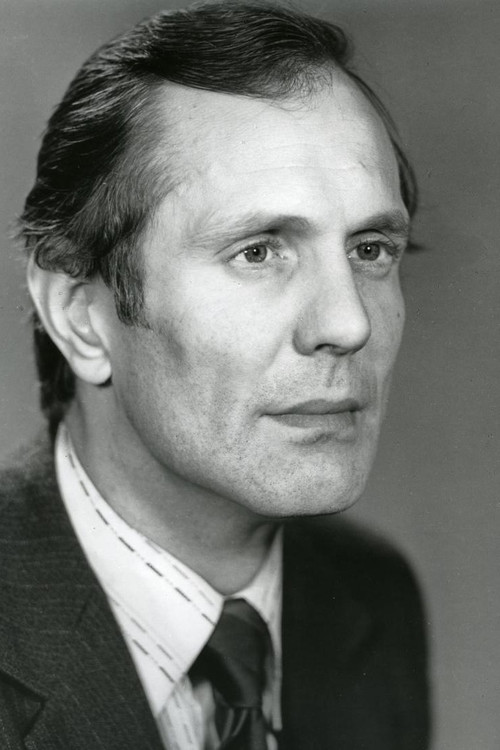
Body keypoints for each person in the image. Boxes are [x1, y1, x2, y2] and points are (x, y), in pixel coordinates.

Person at [0, 2, 430, 748]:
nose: (349, 324)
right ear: (80, 315)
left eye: (370, 249)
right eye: (258, 252)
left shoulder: (370, 593)